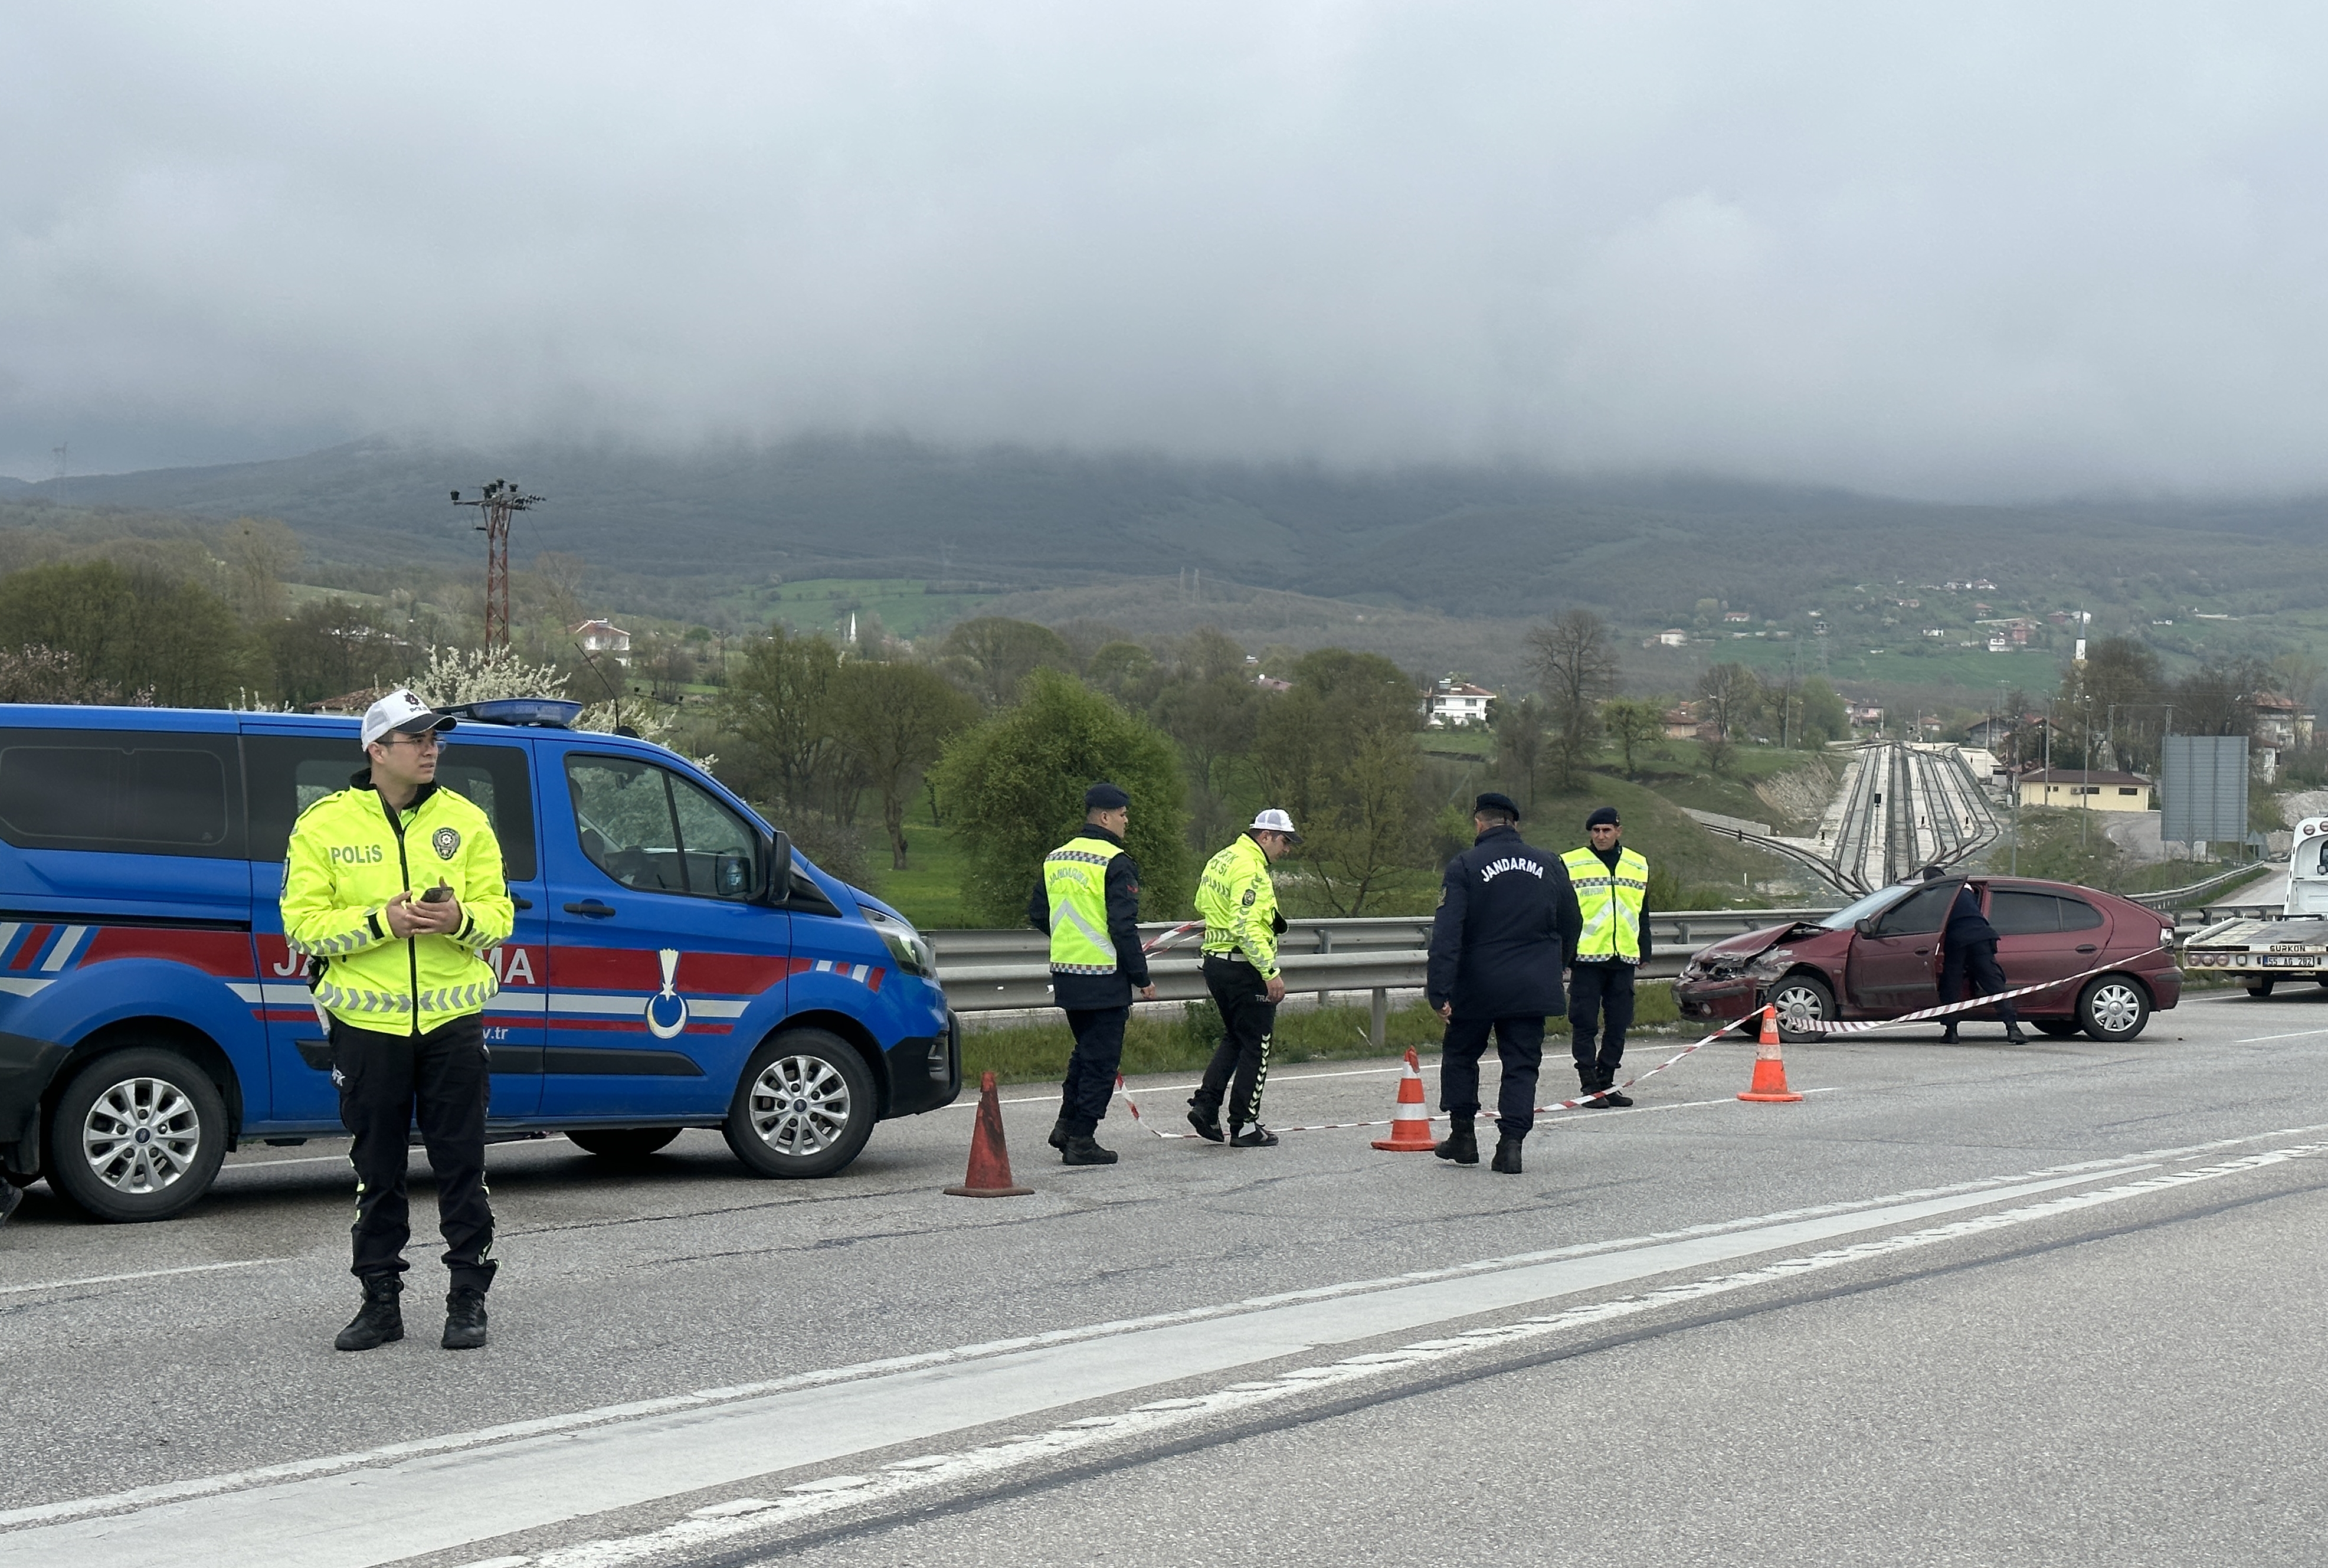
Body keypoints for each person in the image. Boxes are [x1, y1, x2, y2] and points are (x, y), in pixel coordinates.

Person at [281, 689, 514, 1353]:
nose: (431, 747)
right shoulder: (322, 825)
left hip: (452, 1023)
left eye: (436, 737)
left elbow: (501, 913)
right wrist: (383, 920)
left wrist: (459, 919)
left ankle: (468, 1297)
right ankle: (379, 1300)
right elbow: (302, 924)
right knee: (376, 1170)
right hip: (366, 1028)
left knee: (462, 1164)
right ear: (376, 750)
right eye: (415, 738)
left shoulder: (467, 820)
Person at [1426, 793, 1581, 1175]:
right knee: (1521, 1064)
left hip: (1477, 984)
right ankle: (1510, 1145)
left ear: (1479, 822)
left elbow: (1448, 933)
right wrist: (1557, 965)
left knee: (1461, 1055)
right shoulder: (1549, 863)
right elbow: (1572, 921)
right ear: (1514, 823)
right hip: (1531, 983)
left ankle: (1463, 1137)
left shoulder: (1464, 864)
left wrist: (1440, 990)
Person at [1029, 782, 1157, 1166]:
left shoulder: (1057, 857)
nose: (1126, 820)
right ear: (1104, 816)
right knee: (1101, 1063)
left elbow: (1038, 912)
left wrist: (1070, 938)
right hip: (1103, 977)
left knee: (1084, 1055)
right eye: (1122, 814)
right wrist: (1141, 978)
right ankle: (1081, 1139)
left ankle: (1066, 1126)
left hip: (1067, 973)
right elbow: (1122, 926)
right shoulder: (1115, 861)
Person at [1188, 808, 1299, 1148]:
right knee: (1258, 1043)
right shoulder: (1251, 869)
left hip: (1215, 962)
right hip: (1243, 966)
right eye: (1284, 841)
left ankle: (1206, 1106)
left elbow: (1200, 904)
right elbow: (1246, 925)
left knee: (1235, 1037)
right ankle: (1245, 1125)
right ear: (1264, 836)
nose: (1287, 849)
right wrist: (1270, 973)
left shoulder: (1222, 858)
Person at [1561, 806, 1652, 1108]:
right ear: (1590, 833)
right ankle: (1588, 1083)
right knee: (1585, 1023)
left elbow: (1642, 912)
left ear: (1618, 831)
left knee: (1619, 1023)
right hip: (1586, 958)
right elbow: (1564, 913)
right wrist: (1565, 954)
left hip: (1623, 957)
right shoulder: (1571, 862)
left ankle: (1607, 1081)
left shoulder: (1637, 864)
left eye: (1607, 830)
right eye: (1596, 831)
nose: (1601, 836)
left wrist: (1644, 949)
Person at [1928, 868, 2028, 1045]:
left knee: (1951, 984)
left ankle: (1951, 1032)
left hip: (1957, 939)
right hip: (1981, 935)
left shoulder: (1935, 893)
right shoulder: (1964, 887)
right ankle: (2013, 1028)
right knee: (1994, 983)